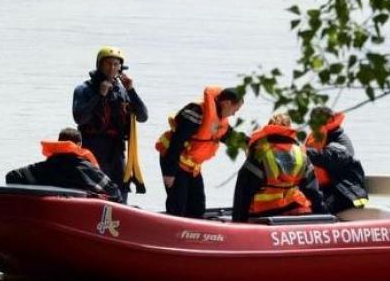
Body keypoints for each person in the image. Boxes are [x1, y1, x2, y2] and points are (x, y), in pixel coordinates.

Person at [72, 46, 148, 202]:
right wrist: (100, 95)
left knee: (119, 191)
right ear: (99, 65)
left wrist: (131, 90)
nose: (112, 68)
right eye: (108, 64)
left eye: (116, 64)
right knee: (94, 190)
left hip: (117, 150)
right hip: (93, 147)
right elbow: (80, 118)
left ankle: (118, 219)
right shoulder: (84, 89)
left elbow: (143, 116)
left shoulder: (123, 91)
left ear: (121, 68)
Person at [156, 86, 244, 218]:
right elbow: (177, 141)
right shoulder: (196, 112)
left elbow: (228, 136)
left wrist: (251, 143)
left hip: (192, 167)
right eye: (235, 109)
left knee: (198, 206)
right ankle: (173, 233)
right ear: (227, 103)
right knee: (178, 204)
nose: (234, 114)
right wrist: (170, 173)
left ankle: (193, 234)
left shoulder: (217, 117)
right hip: (174, 161)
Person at [232, 113, 327, 222]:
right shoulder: (301, 153)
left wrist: (238, 222)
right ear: (289, 129)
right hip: (294, 210)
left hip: (264, 213)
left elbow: (243, 193)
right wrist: (324, 217)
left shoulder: (260, 153)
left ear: (268, 127)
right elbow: (312, 191)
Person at [5, 127, 122, 202]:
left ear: (59, 143)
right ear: (79, 145)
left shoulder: (42, 168)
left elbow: (11, 177)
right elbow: (114, 192)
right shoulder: (86, 168)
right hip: (78, 214)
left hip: (48, 212)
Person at [305, 106, 369, 213]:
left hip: (344, 191)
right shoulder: (313, 140)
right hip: (321, 190)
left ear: (329, 119)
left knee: (320, 208)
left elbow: (335, 156)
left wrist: (305, 152)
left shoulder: (340, 138)